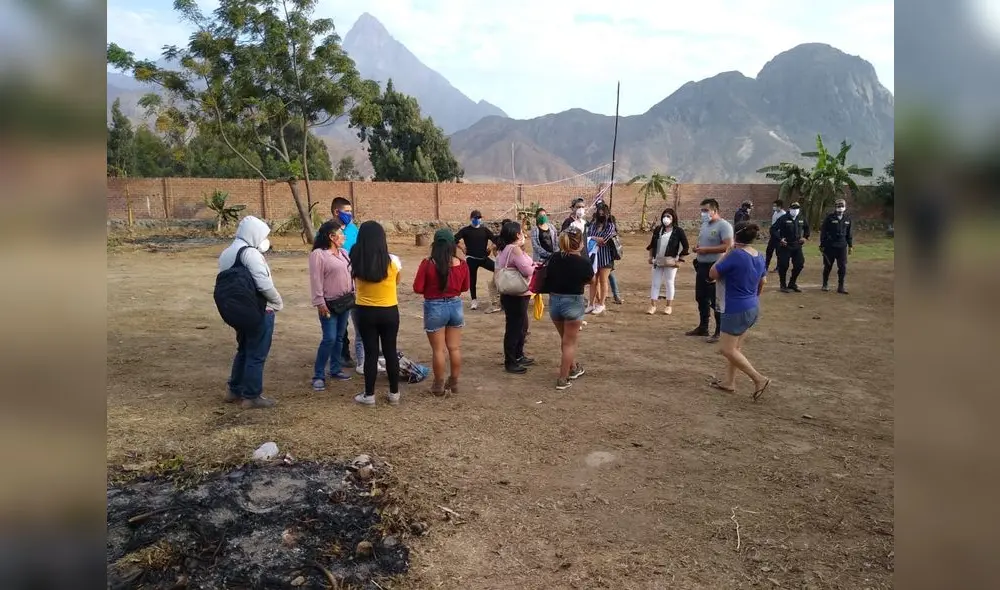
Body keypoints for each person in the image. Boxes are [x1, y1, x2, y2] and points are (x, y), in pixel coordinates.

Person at [219, 216, 283, 409]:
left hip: (238, 311)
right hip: (259, 310)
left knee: (244, 349)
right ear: (254, 234)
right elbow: (263, 284)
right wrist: (277, 301)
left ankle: (234, 389)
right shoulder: (250, 254)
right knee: (257, 353)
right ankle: (252, 396)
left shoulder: (227, 253)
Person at [708, 222, 771, 400]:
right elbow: (763, 281)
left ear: (736, 236)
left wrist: (725, 253)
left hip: (735, 307)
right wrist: (755, 296)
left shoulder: (735, 255)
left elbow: (713, 273)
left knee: (727, 349)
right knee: (736, 347)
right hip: (752, 306)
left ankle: (759, 379)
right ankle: (729, 382)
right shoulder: (759, 255)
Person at [350, 221, 403, 406]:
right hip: (389, 311)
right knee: (390, 352)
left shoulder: (355, 259)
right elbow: (396, 281)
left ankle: (369, 395)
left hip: (364, 312)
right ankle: (394, 394)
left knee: (370, 354)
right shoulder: (393, 260)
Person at [413, 228, 470, 396]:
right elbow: (465, 287)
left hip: (434, 307)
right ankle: (454, 382)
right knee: (454, 348)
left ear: (434, 245)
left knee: (438, 350)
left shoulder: (428, 264)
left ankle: (438, 385)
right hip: (455, 305)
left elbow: (417, 288)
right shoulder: (462, 264)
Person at [308, 219, 354, 391]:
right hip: (328, 304)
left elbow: (350, 273)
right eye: (340, 234)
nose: (343, 237)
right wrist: (320, 302)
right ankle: (318, 375)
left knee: (339, 338)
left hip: (345, 302)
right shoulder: (318, 255)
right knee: (329, 338)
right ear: (331, 236)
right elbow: (316, 280)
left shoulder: (343, 253)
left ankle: (335, 369)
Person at [545, 226, 593, 389]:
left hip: (555, 302)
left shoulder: (554, 258)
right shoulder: (583, 262)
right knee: (569, 343)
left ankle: (573, 367)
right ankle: (563, 378)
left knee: (565, 340)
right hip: (573, 302)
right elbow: (590, 280)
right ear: (579, 243)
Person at [686, 198, 733, 343]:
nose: (703, 213)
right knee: (701, 297)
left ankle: (719, 331)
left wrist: (705, 250)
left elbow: (728, 246)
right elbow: (703, 242)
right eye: (702, 210)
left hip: (716, 266)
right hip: (702, 265)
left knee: (716, 300)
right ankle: (703, 327)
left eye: (705, 210)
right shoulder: (705, 225)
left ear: (715, 210)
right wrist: (698, 248)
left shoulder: (724, 226)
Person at [495, 221, 535, 374]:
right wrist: (535, 267)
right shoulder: (514, 249)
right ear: (517, 234)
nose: (524, 234)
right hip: (517, 294)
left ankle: (518, 355)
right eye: (522, 231)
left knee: (520, 326)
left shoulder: (506, 249)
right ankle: (511, 361)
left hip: (512, 294)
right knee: (515, 328)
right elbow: (526, 270)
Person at [331, 197, 362, 371]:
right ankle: (342, 354)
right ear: (337, 212)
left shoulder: (353, 229)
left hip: (354, 277)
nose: (350, 214)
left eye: (350, 211)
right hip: (337, 280)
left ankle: (361, 352)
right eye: (347, 211)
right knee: (340, 320)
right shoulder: (328, 230)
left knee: (358, 315)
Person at [645, 207, 689, 315]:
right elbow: (652, 245)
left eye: (668, 216)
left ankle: (668, 306)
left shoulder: (678, 231)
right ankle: (653, 305)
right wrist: (651, 257)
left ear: (673, 218)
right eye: (664, 216)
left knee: (669, 283)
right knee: (655, 283)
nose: (666, 218)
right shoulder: (658, 230)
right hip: (658, 260)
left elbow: (686, 246)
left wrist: (680, 261)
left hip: (670, 261)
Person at [455, 210, 500, 313]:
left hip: (483, 258)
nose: (477, 220)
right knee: (472, 280)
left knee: (498, 270)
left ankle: (499, 296)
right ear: (471, 218)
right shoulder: (466, 230)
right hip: (471, 259)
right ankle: (474, 300)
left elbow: (496, 240)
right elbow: (454, 239)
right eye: (475, 218)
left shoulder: (484, 230)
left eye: (479, 218)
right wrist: (461, 247)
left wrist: (491, 247)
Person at [585, 201, 616, 315]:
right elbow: (588, 236)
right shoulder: (593, 225)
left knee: (603, 280)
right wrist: (595, 238)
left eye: (603, 212)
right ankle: (591, 304)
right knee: (593, 281)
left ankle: (601, 304)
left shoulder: (610, 226)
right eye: (599, 212)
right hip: (593, 257)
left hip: (605, 257)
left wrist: (594, 238)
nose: (601, 214)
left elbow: (604, 240)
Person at [773, 201, 810, 293]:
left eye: (797, 208)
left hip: (797, 245)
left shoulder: (801, 218)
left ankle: (792, 283)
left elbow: (807, 228)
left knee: (799, 264)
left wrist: (805, 237)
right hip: (785, 245)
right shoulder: (783, 218)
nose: (795, 210)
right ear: (789, 209)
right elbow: (773, 229)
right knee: (784, 265)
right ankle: (783, 284)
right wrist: (780, 239)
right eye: (793, 208)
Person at [819, 198, 853, 294]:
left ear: (845, 207)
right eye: (838, 206)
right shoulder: (829, 218)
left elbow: (849, 234)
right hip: (830, 246)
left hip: (842, 246)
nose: (840, 208)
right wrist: (822, 244)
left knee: (842, 267)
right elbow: (824, 232)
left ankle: (841, 286)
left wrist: (850, 246)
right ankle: (825, 284)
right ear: (835, 207)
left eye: (842, 206)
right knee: (828, 266)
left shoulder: (847, 219)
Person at [765, 199, 785, 271]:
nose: (774, 207)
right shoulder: (775, 213)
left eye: (775, 206)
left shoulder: (783, 214)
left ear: (780, 206)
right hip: (773, 235)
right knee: (769, 250)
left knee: (778, 252)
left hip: (778, 235)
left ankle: (778, 267)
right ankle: (766, 266)